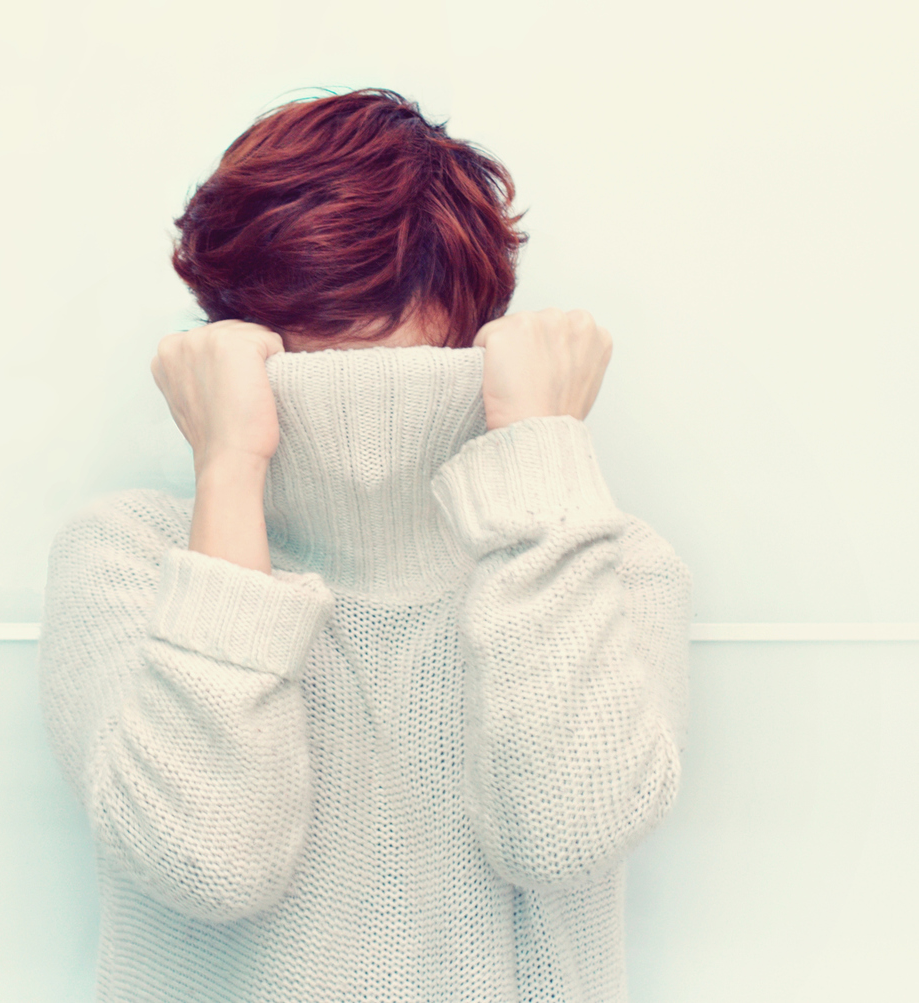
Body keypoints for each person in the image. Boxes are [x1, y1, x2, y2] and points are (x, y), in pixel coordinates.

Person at [36, 88, 691, 1003]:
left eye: (404, 360)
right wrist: (230, 466)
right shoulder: (129, 560)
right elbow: (210, 859)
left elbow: (562, 835)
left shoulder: (596, 560)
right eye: (311, 357)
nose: (363, 395)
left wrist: (540, 454)